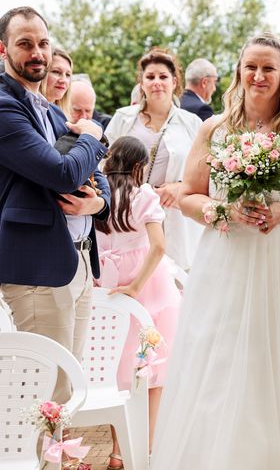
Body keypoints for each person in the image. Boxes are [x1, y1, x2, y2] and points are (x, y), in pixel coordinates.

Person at [151, 32, 280, 469]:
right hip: (225, 263)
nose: (259, 75)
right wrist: (220, 212)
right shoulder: (215, 128)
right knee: (224, 361)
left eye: (269, 67)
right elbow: (190, 195)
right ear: (238, 72)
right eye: (251, 66)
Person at [0, 6, 110, 402]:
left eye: (43, 43)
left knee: (70, 385)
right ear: (3, 49)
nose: (37, 53)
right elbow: (62, 173)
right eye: (24, 43)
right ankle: (43, 464)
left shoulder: (47, 108)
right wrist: (94, 136)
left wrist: (95, 206)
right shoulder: (4, 105)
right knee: (46, 392)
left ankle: (60, 462)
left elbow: (97, 177)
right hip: (38, 270)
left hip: (76, 260)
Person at [95, 136, 181, 470]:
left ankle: (117, 451)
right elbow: (158, 246)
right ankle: (146, 449)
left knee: (117, 372)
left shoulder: (98, 192)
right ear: (138, 166)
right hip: (146, 284)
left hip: (107, 279)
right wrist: (137, 285)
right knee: (152, 374)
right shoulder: (143, 193)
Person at [105, 48, 203, 271]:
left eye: (163, 76)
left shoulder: (192, 123)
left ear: (174, 81)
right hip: (130, 214)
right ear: (141, 83)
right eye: (150, 77)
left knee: (173, 282)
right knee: (134, 277)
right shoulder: (123, 118)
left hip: (175, 213)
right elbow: (103, 164)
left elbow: (204, 170)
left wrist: (180, 187)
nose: (157, 82)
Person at [39, 47, 72, 117]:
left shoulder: (63, 116)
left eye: (68, 74)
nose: (63, 80)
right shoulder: (29, 111)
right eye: (56, 72)